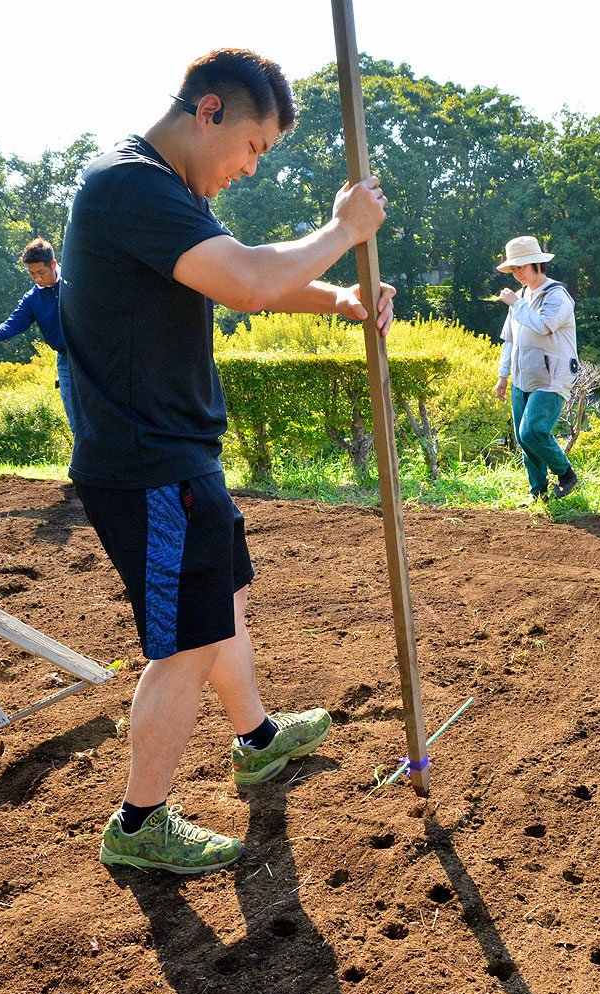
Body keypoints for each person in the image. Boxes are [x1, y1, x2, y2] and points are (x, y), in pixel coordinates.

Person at [61, 49, 395, 874]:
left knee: (222, 602)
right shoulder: (127, 184)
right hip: (149, 466)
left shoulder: (159, 191)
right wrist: (344, 232)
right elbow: (246, 281)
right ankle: (138, 824)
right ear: (209, 111)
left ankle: (255, 736)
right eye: (254, 147)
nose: (250, 168)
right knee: (182, 643)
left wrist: (340, 296)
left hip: (173, 455)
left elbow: (249, 272)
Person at [493, 236, 580, 504]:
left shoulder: (557, 295)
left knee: (532, 431)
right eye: (513, 269)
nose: (517, 274)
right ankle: (539, 493)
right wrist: (503, 376)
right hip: (522, 376)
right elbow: (510, 339)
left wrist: (515, 304)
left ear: (537, 264)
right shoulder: (520, 297)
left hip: (552, 376)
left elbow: (544, 325)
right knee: (523, 439)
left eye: (521, 267)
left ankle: (566, 474)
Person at [0, 238, 74, 431]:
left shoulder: (76, 281)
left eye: (41, 272)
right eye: (32, 274)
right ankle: (82, 462)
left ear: (53, 264)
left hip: (93, 358)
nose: (37, 279)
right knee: (75, 421)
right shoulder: (33, 298)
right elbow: (12, 325)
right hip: (65, 360)